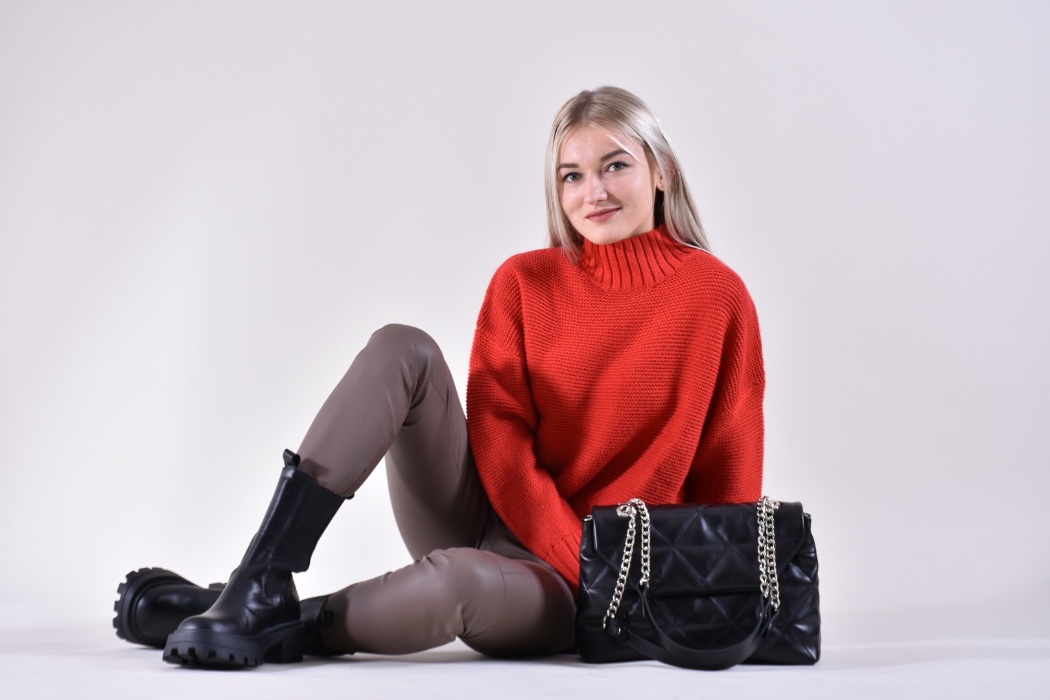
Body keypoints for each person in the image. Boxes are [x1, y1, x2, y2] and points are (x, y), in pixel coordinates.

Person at [112, 86, 765, 668]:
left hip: (582, 591)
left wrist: (648, 587)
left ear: (661, 170)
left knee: (459, 583)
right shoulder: (524, 282)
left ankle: (267, 618)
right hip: (487, 516)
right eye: (572, 175)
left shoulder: (717, 297)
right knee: (404, 348)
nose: (592, 192)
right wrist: (572, 549)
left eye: (615, 165)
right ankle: (260, 577)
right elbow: (502, 447)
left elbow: (729, 478)